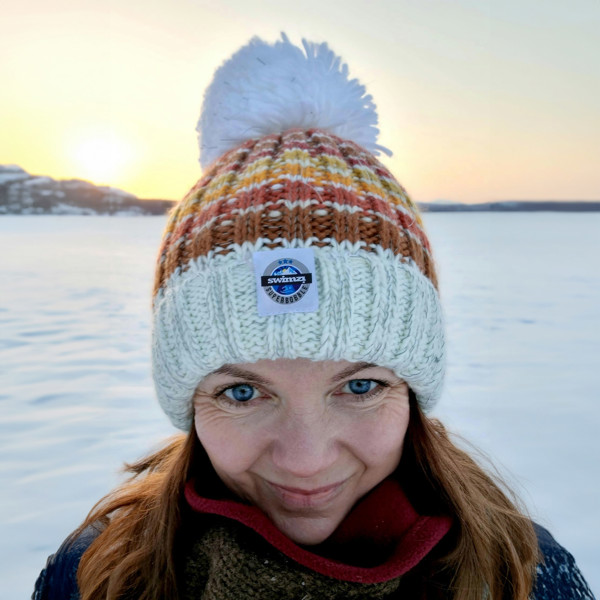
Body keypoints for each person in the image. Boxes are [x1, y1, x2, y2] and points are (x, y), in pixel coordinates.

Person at [33, 34, 595, 600]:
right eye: (242, 394)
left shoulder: (522, 574)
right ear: (187, 398)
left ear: (412, 393)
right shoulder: (93, 576)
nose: (305, 461)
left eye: (359, 385)